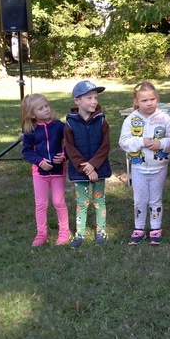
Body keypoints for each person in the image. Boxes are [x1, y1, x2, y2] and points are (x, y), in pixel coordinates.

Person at [118, 81, 170, 246]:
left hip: (159, 167)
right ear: (136, 101)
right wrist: (141, 141)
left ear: (157, 99)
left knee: (155, 199)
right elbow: (123, 142)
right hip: (138, 168)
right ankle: (139, 228)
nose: (149, 103)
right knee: (139, 200)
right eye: (144, 100)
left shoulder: (165, 119)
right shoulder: (131, 120)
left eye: (152, 99)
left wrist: (160, 144)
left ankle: (155, 229)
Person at [65, 80, 112, 249]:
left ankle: (101, 232)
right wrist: (86, 168)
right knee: (82, 203)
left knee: (99, 201)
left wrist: (94, 165)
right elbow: (70, 149)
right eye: (89, 98)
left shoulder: (101, 121)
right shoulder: (70, 124)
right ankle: (80, 234)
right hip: (80, 172)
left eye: (96, 98)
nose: (94, 101)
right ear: (77, 101)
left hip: (99, 169)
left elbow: (105, 146)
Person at [21, 94, 71, 246]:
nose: (46, 109)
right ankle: (41, 233)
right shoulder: (30, 131)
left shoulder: (59, 126)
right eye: (40, 108)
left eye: (46, 106)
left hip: (58, 171)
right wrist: (40, 162)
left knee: (59, 201)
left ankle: (64, 231)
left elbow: (71, 144)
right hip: (39, 174)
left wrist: (64, 156)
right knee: (41, 204)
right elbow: (27, 151)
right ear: (32, 114)